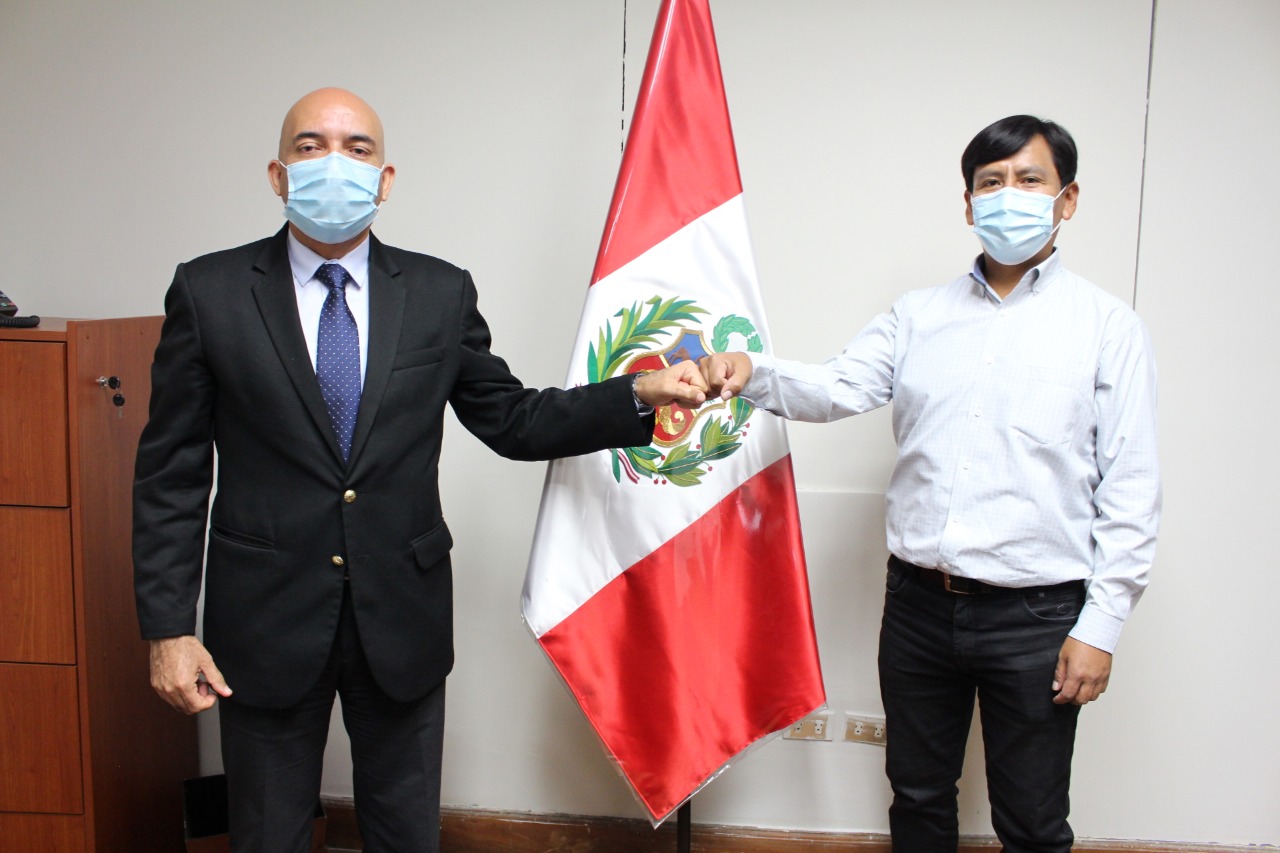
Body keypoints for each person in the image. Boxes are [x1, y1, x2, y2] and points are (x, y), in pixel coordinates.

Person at [133, 87, 708, 853]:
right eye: (310, 146)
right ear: (276, 174)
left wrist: (635, 394)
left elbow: (513, 418)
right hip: (263, 623)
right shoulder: (209, 293)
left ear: (386, 177)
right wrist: (169, 626)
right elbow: (170, 471)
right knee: (265, 835)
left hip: (399, 616)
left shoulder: (439, 292)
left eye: (357, 147)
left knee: (405, 835)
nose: (334, 162)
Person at [700, 115, 1160, 852]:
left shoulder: (1108, 327)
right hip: (918, 607)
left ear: (1067, 200)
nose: (1009, 195)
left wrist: (1099, 627)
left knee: (1033, 820)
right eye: (990, 182)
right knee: (916, 795)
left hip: (1038, 617)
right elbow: (836, 387)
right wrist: (753, 372)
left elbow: (1131, 488)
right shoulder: (918, 317)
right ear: (970, 203)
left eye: (1029, 179)